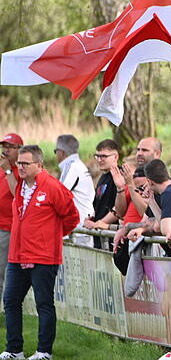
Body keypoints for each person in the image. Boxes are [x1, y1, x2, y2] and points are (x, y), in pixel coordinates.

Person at [2, 145, 80, 360]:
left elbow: (72, 216)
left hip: (43, 257)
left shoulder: (52, 186)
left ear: (39, 164)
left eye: (25, 163)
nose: (21, 167)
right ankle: (14, 350)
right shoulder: (20, 186)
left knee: (43, 303)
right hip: (17, 255)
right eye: (19, 163)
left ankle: (44, 351)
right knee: (10, 301)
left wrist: (52, 236)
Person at [53, 134, 94, 247]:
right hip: (82, 226)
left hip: (79, 230)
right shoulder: (77, 165)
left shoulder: (72, 166)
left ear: (61, 152)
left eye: (55, 151)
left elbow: (59, 196)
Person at [0, 133, 23, 302]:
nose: (5, 150)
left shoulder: (21, 170)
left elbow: (18, 196)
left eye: (10, 147)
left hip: (8, 228)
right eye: (4, 147)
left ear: (19, 150)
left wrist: (8, 170)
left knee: (2, 272)